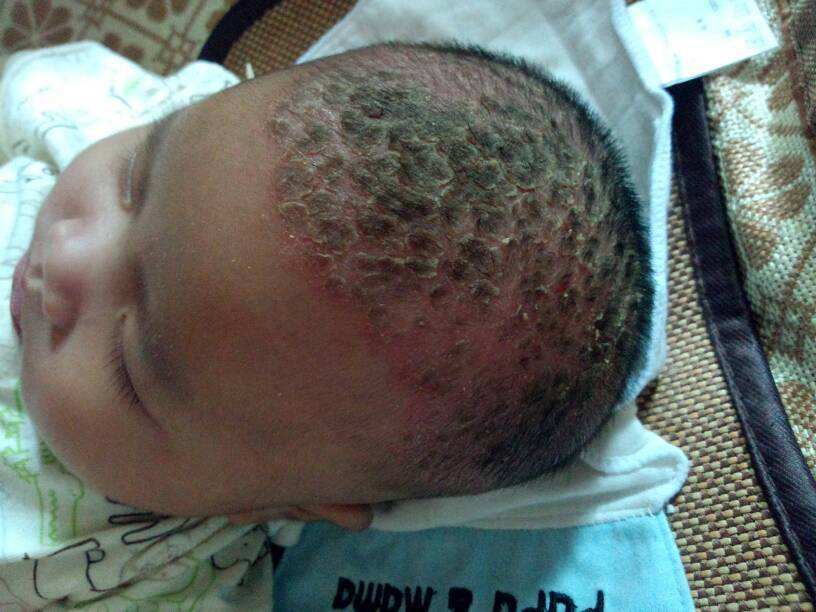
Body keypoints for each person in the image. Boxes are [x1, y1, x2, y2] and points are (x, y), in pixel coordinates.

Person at [2, 40, 652, 607]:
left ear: (274, 505)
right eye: (132, 179)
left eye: (130, 366)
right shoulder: (147, 128)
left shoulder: (140, 576)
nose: (64, 255)